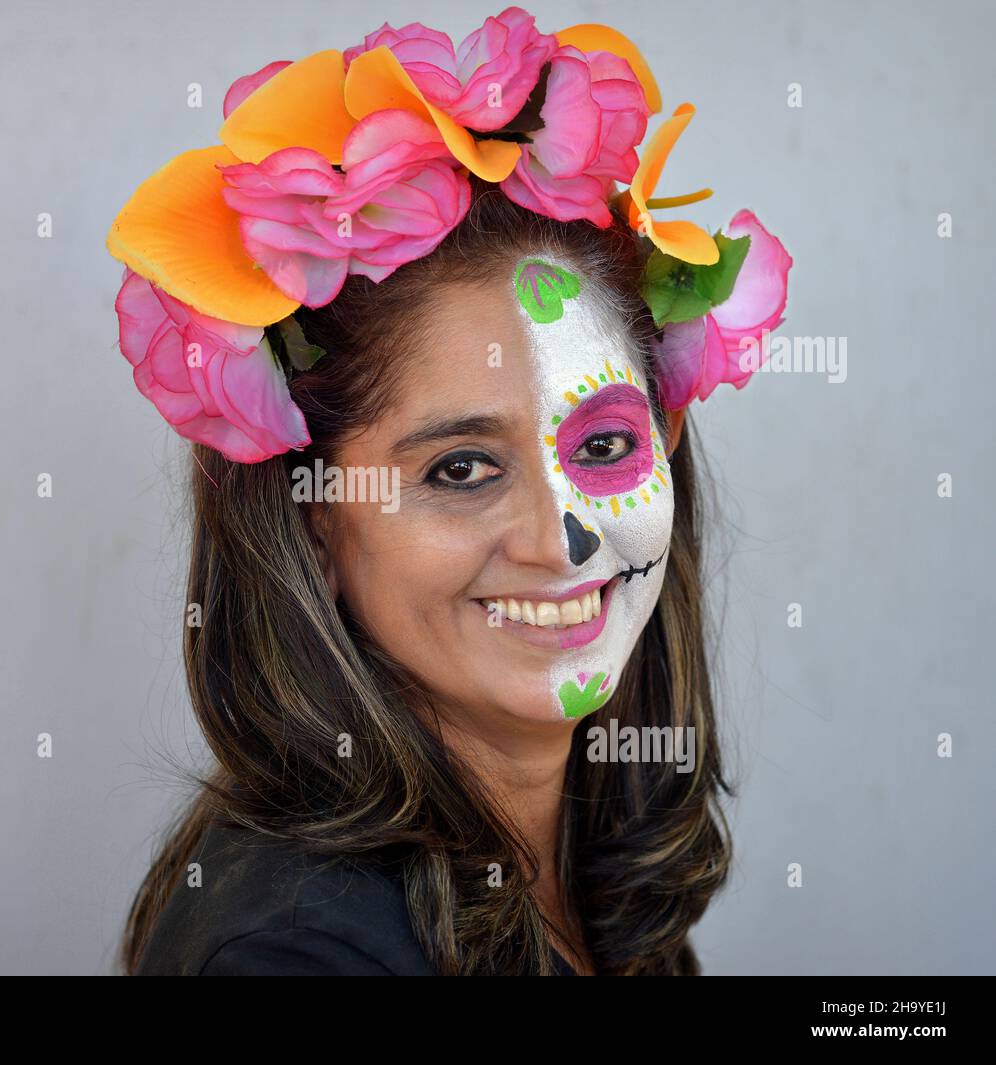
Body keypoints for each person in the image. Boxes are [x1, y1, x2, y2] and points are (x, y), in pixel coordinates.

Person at [105, 8, 791, 975]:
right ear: (312, 521)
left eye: (602, 445)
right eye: (460, 468)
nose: (563, 542)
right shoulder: (294, 955)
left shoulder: (592, 874)